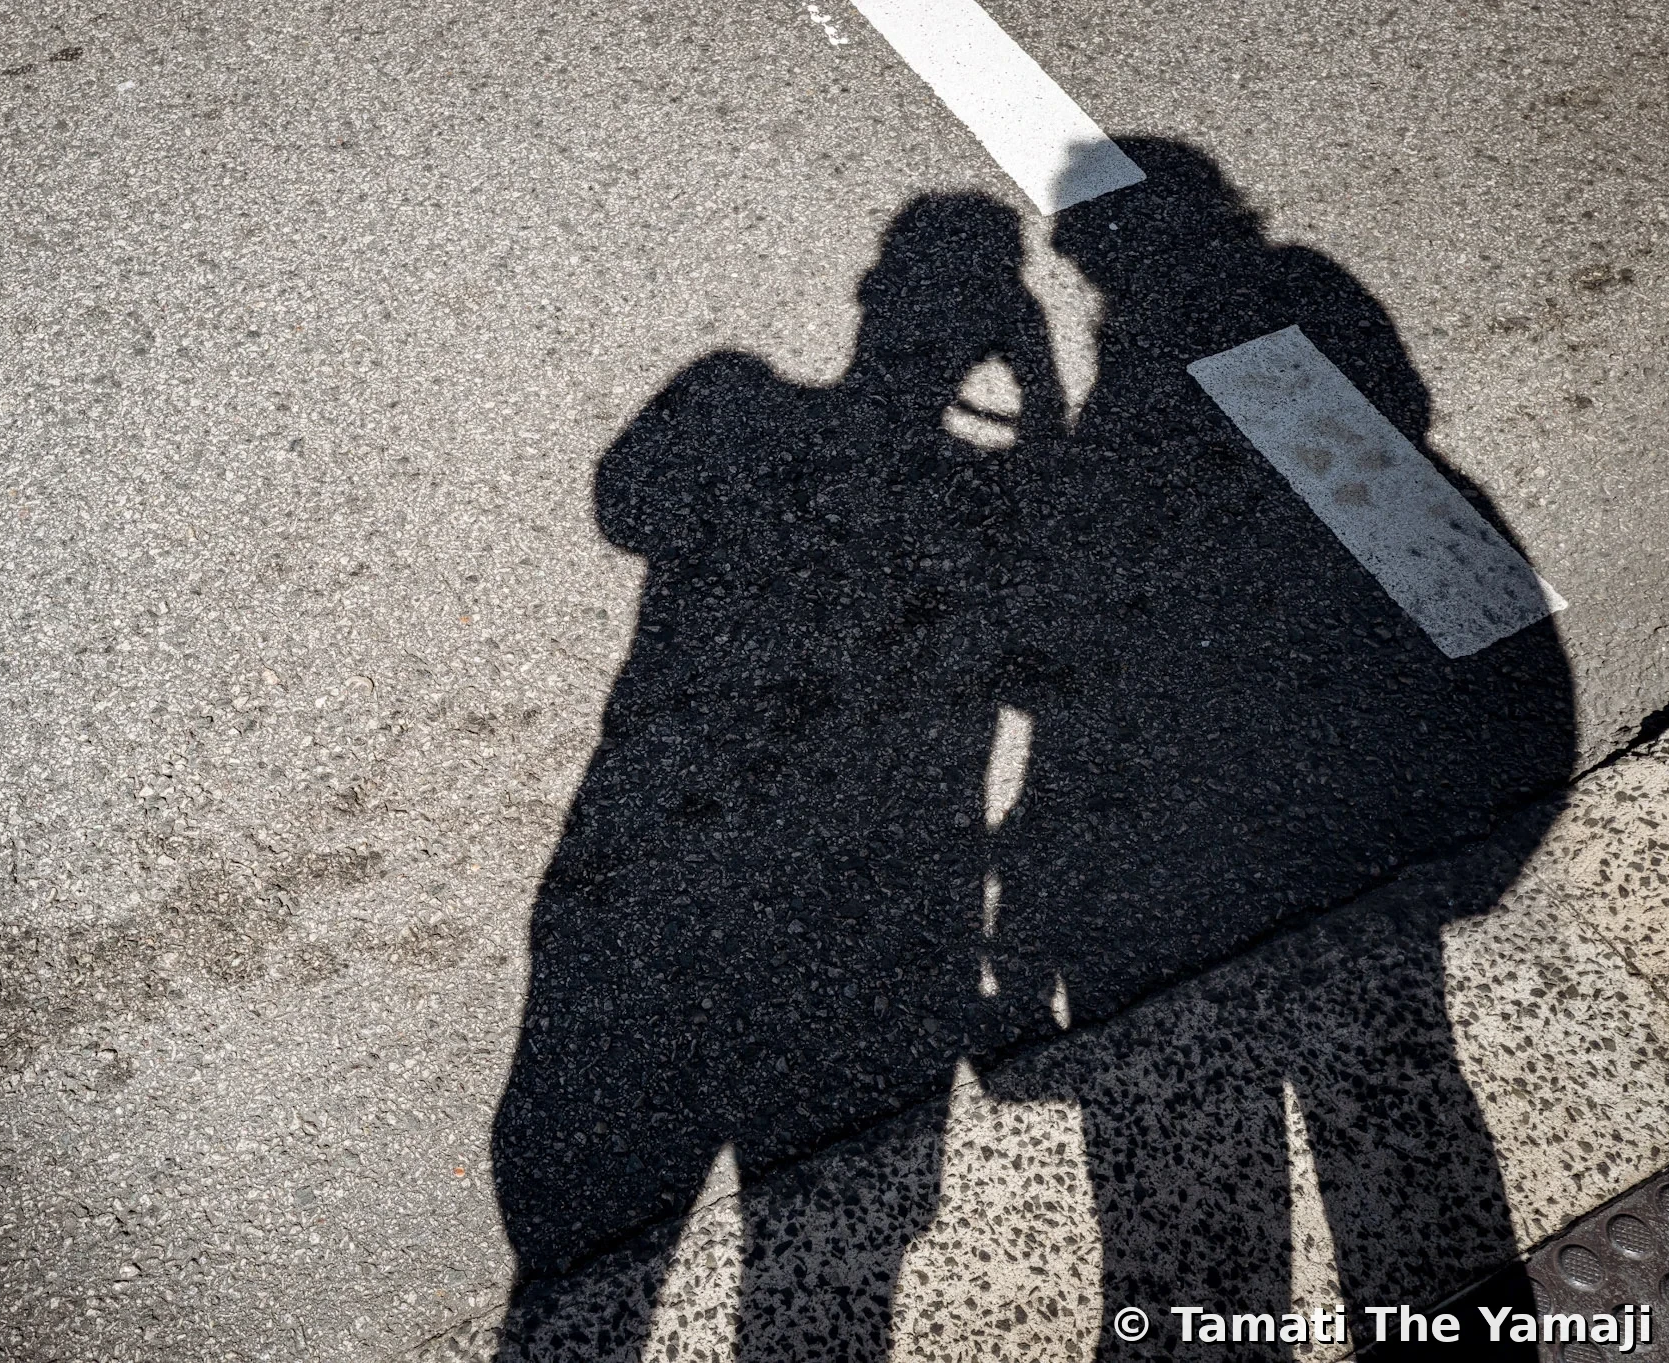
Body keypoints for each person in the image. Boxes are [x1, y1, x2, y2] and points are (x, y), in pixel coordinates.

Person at [976, 139, 1573, 1358]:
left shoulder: (1177, 424)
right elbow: (1496, 649)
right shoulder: (1353, 441)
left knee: (1192, 1214)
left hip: (1212, 871)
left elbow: (1061, 652)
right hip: (1356, 860)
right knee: (1409, 1143)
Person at [490, 193, 1063, 1362]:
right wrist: (1041, 408)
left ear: (864, 300)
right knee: (823, 1298)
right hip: (874, 938)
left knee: (577, 1287)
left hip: (651, 899)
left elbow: (625, 502)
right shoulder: (989, 504)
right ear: (995, 339)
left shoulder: (734, 407)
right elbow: (1058, 652)